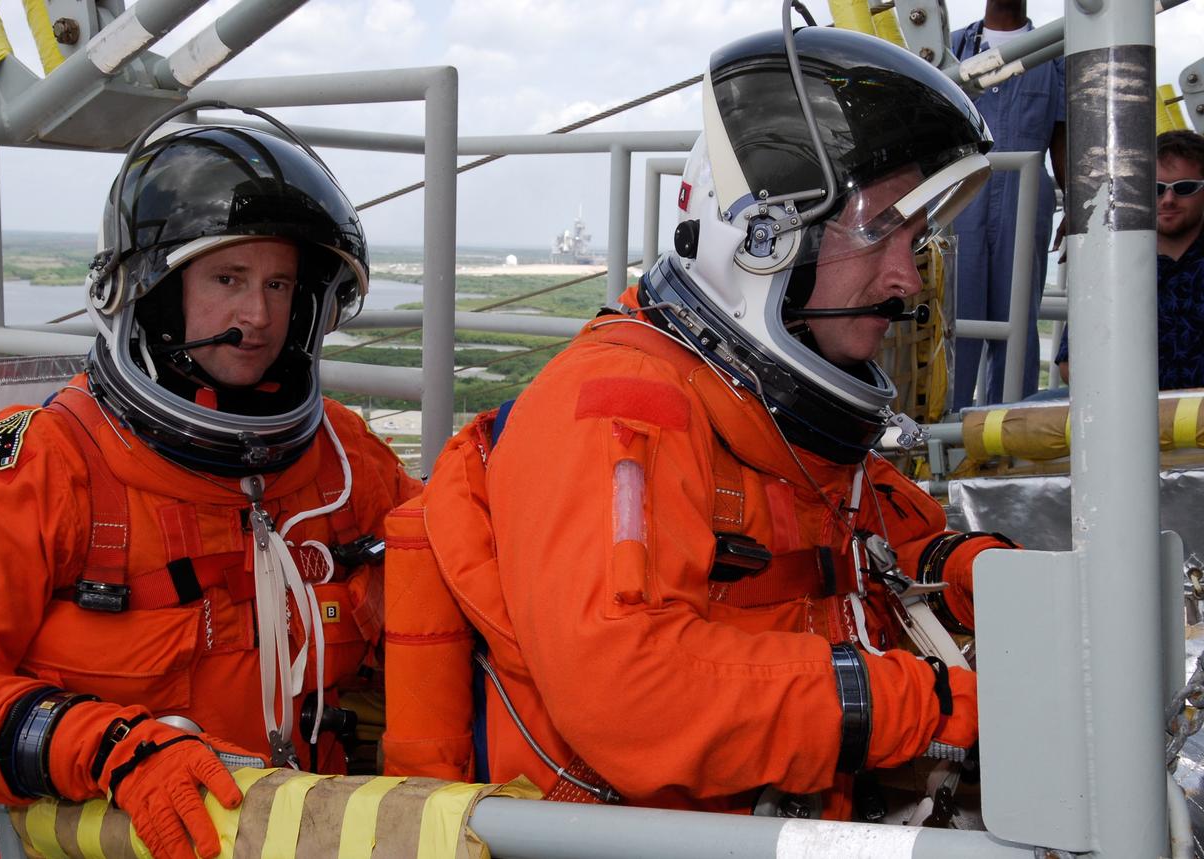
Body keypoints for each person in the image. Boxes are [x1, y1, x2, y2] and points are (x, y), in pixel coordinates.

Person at [390, 28, 1016, 819]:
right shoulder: (620, 409)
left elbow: (851, 521)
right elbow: (630, 688)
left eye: (914, 240)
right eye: (881, 230)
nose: (902, 278)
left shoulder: (759, 406)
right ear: (763, 235)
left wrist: (974, 571)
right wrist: (921, 702)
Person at [0, 122, 421, 859]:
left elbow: (457, 567)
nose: (256, 316)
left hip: (307, 832)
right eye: (227, 280)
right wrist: (106, 745)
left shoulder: (343, 459)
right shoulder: (50, 464)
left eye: (277, 284)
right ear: (155, 292)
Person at [951, 0, 1066, 407]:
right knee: (954, 320)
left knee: (1017, 318)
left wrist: (1073, 206)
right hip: (957, 202)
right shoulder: (950, 49)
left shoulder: (1054, 54)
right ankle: (943, 431)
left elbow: (1061, 139)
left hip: (1026, 200)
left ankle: (1010, 435)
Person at [1055, 130, 1204, 390]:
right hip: (1124, 420)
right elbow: (1070, 364)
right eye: (1157, 189)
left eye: (1185, 188)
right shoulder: (1108, 263)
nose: (1168, 199)